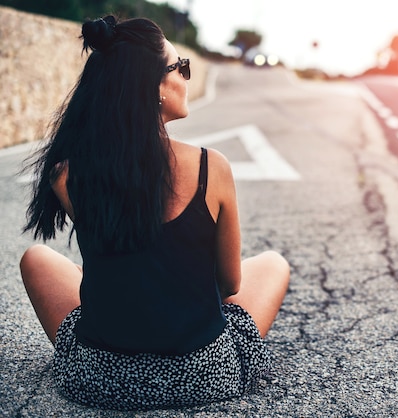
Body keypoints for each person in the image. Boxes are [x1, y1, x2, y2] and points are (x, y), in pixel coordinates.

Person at [19, 15, 289, 411]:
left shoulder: (67, 172)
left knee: (36, 258)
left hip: (98, 377)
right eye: (181, 67)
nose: (186, 76)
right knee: (273, 264)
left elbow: (123, 255)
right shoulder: (209, 167)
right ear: (153, 86)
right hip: (202, 374)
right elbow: (230, 284)